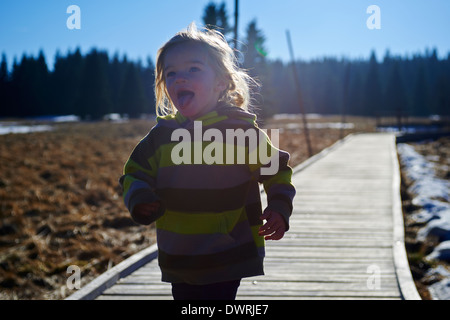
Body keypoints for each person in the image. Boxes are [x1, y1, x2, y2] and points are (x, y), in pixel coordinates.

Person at [119, 23, 296, 300]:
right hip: (180, 256)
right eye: (171, 73)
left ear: (220, 83)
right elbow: (134, 174)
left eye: (193, 69)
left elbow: (277, 171)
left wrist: (279, 206)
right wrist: (140, 198)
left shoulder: (241, 132)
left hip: (229, 253)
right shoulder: (162, 137)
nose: (180, 79)